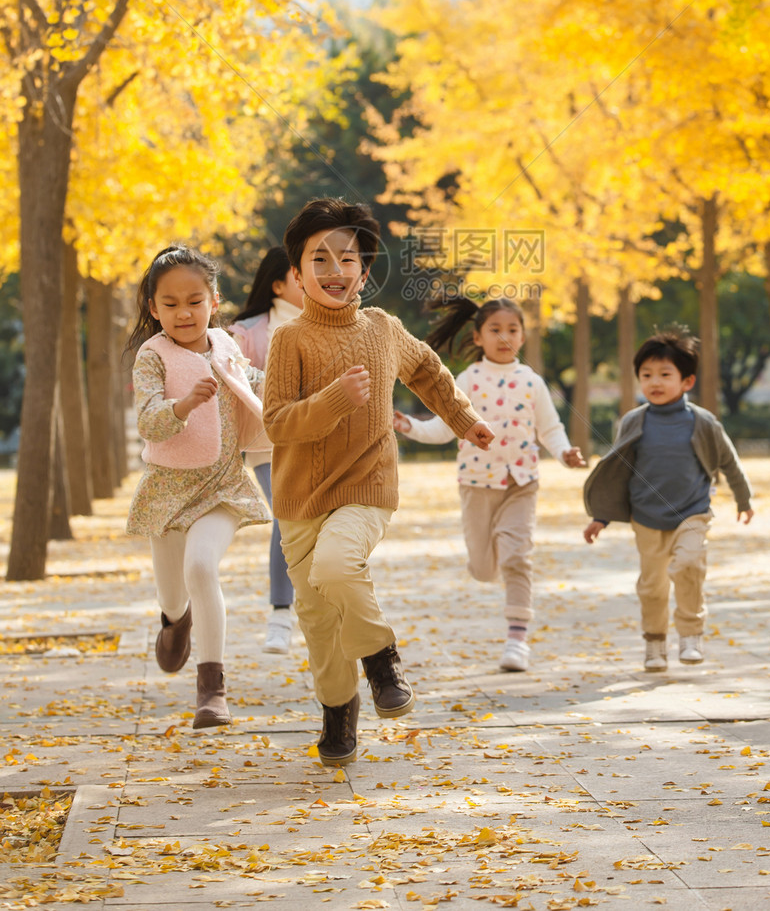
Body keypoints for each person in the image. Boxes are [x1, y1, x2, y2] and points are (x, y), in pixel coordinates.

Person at [262, 197, 494, 767]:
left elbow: (430, 373)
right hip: (298, 500)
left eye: (349, 258)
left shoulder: (384, 330)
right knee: (317, 620)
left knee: (338, 566)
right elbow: (277, 422)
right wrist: (334, 399)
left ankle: (382, 658)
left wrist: (463, 420)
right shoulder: (288, 341)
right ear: (297, 274)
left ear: (365, 270)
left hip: (367, 486)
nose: (335, 271)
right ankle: (339, 712)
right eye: (320, 259)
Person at [394, 295, 587, 673]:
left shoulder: (532, 382)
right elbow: (443, 427)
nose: (505, 337)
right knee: (483, 568)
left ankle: (517, 640)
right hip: (477, 485)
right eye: (495, 330)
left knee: (517, 556)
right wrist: (410, 426)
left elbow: (550, 429)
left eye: (513, 330)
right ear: (478, 337)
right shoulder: (466, 380)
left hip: (521, 482)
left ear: (524, 335)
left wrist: (564, 454)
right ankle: (490, 559)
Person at [126, 245, 271, 729]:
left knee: (202, 567)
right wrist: (185, 404)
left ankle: (212, 690)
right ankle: (175, 621)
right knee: (173, 594)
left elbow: (253, 382)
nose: (183, 312)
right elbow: (148, 420)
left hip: (223, 487)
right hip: (167, 492)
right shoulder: (153, 356)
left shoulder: (227, 344)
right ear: (153, 308)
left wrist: (296, 390)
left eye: (194, 300)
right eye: (170, 304)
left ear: (214, 299)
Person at [582, 328, 754, 672]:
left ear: (687, 381)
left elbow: (728, 461)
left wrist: (743, 498)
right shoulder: (633, 421)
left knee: (688, 565)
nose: (654, 382)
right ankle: (655, 643)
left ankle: (691, 634)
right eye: (646, 375)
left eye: (664, 375)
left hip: (692, 512)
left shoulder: (702, 422)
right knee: (652, 586)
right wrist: (601, 515)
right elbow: (618, 471)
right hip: (646, 517)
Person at [231, 246, 303, 655]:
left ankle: (318, 606)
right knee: (287, 512)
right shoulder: (248, 333)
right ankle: (280, 613)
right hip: (268, 446)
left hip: (318, 444)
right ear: (278, 285)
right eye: (299, 275)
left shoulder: (325, 324)